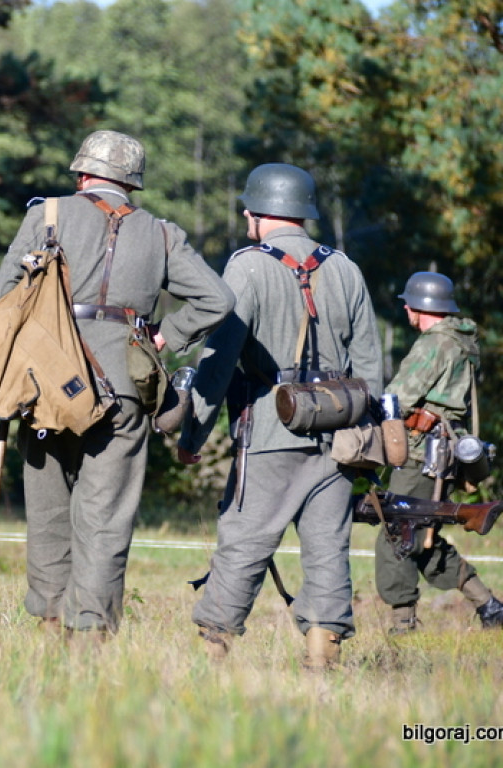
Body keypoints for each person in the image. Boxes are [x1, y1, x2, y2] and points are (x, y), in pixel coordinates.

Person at [0, 130, 234, 638]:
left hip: (46, 384)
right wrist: (165, 337)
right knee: (106, 519)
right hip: (125, 387)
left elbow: (3, 300)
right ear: (132, 183)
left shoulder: (47, 215)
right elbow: (218, 299)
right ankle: (93, 634)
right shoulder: (161, 234)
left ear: (82, 174)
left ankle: (50, 624)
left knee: (49, 512)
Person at [177, 163, 382, 669]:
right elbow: (371, 368)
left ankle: (213, 659)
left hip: (269, 430)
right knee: (328, 549)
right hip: (339, 436)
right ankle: (322, 662)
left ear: (257, 211)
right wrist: (364, 438)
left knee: (244, 543)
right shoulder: (346, 268)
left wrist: (192, 434)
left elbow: (219, 362)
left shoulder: (247, 266)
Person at [375, 271, 503, 631]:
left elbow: (398, 396)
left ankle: (403, 627)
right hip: (443, 453)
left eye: (409, 304)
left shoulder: (434, 343)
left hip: (421, 454)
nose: (405, 309)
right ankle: (489, 606)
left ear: (422, 306)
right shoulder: (461, 341)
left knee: (397, 535)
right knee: (421, 538)